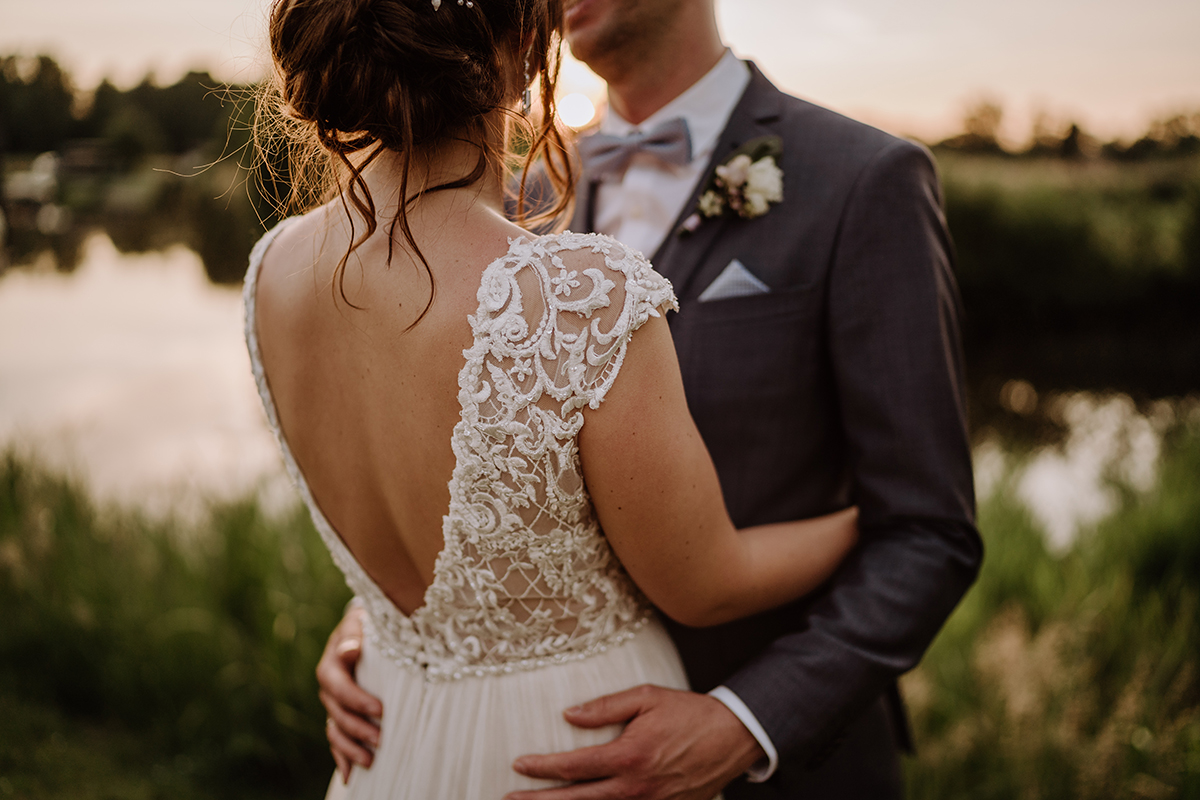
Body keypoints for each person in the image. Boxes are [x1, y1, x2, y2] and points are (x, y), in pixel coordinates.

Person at [319, 0, 983, 798]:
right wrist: (389, 626)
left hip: (790, 764)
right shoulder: (512, 197)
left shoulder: (863, 179)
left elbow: (927, 530)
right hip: (542, 750)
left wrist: (745, 722)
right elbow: (452, 464)